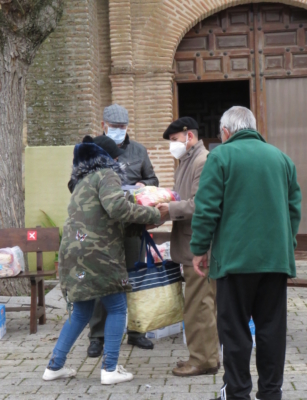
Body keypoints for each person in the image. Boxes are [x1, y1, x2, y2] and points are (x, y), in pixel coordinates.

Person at [189, 106, 302, 400]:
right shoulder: (281, 158)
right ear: (253, 127)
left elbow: (206, 208)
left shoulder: (221, 157)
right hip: (275, 262)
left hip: (234, 263)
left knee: (235, 331)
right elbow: (294, 210)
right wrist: (286, 244)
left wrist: (199, 249)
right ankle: (271, 393)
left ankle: (237, 393)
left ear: (226, 132)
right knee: (272, 330)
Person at [43, 135, 161, 385]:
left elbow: (99, 212)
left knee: (81, 313)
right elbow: (116, 208)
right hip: (99, 254)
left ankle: (54, 366)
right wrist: (152, 213)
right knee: (117, 307)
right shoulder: (107, 174)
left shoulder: (81, 181)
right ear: (109, 158)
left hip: (73, 253)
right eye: (117, 157)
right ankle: (110, 369)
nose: (120, 160)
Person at [88, 104, 159, 357]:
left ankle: (136, 331)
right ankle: (97, 336)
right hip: (103, 228)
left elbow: (153, 179)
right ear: (103, 125)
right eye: (114, 127)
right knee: (102, 279)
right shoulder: (93, 150)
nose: (119, 131)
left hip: (132, 226)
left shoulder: (138, 150)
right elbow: (77, 183)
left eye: (122, 127)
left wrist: (143, 184)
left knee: (133, 277)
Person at [156, 117, 219, 377]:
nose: (172, 145)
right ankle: (201, 356)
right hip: (188, 242)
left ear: (188, 136)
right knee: (195, 304)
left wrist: (169, 208)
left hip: (199, 246)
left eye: (174, 140)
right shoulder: (187, 160)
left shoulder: (202, 161)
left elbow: (198, 204)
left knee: (200, 305)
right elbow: (182, 197)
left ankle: (204, 361)